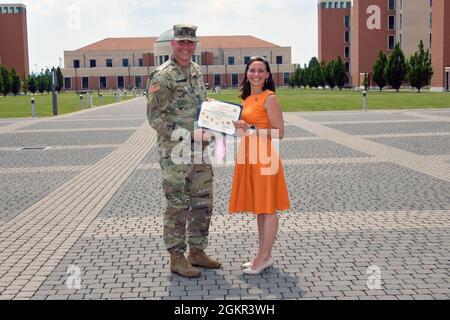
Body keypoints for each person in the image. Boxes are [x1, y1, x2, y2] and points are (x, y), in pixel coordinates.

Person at [146, 24, 221, 278]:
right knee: (178, 205)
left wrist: (211, 111)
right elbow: (156, 119)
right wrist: (189, 134)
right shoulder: (162, 76)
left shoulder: (196, 70)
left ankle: (197, 252)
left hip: (199, 149)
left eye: (191, 43)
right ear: (173, 45)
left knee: (202, 201)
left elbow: (198, 105)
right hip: (176, 152)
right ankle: (176, 258)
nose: (186, 47)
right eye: (182, 42)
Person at [229, 56, 291, 275]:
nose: (255, 74)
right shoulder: (247, 99)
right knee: (260, 208)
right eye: (252, 70)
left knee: (268, 208)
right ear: (247, 73)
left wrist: (251, 128)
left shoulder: (269, 98)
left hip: (264, 157)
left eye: (260, 71)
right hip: (248, 156)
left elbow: (279, 133)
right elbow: (246, 128)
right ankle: (262, 255)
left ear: (267, 75)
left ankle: (263, 257)